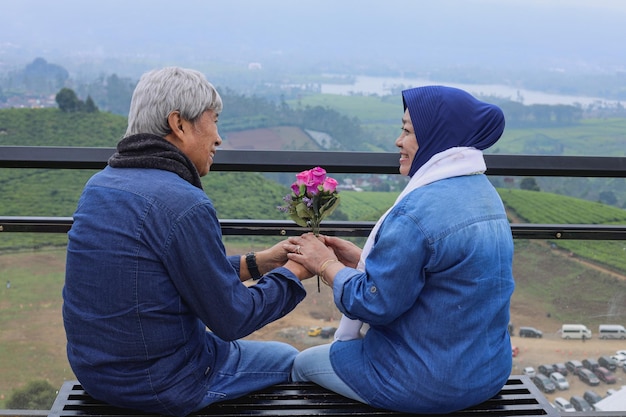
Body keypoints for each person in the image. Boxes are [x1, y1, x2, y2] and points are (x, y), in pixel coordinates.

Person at [62, 67, 313, 417]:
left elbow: (166, 274)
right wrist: (294, 273)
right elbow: (232, 320)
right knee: (288, 358)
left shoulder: (100, 185)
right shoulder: (183, 201)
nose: (219, 138)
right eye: (214, 121)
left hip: (96, 374)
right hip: (166, 383)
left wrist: (261, 262)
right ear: (179, 124)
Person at [285, 86, 515, 413]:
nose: (398, 140)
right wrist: (363, 261)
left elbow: (374, 304)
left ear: (438, 136)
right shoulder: (484, 193)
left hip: (424, 383)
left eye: (407, 130)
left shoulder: (415, 213)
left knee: (303, 365)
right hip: (487, 373)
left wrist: (324, 264)